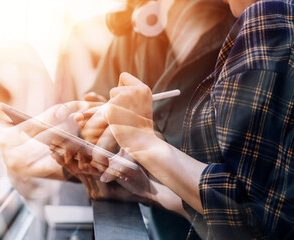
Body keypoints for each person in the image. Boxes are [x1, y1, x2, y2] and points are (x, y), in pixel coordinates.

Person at [80, 0, 294, 238]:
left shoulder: (270, 19)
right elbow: (268, 206)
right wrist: (150, 191)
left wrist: (146, 143)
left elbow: (253, 215)